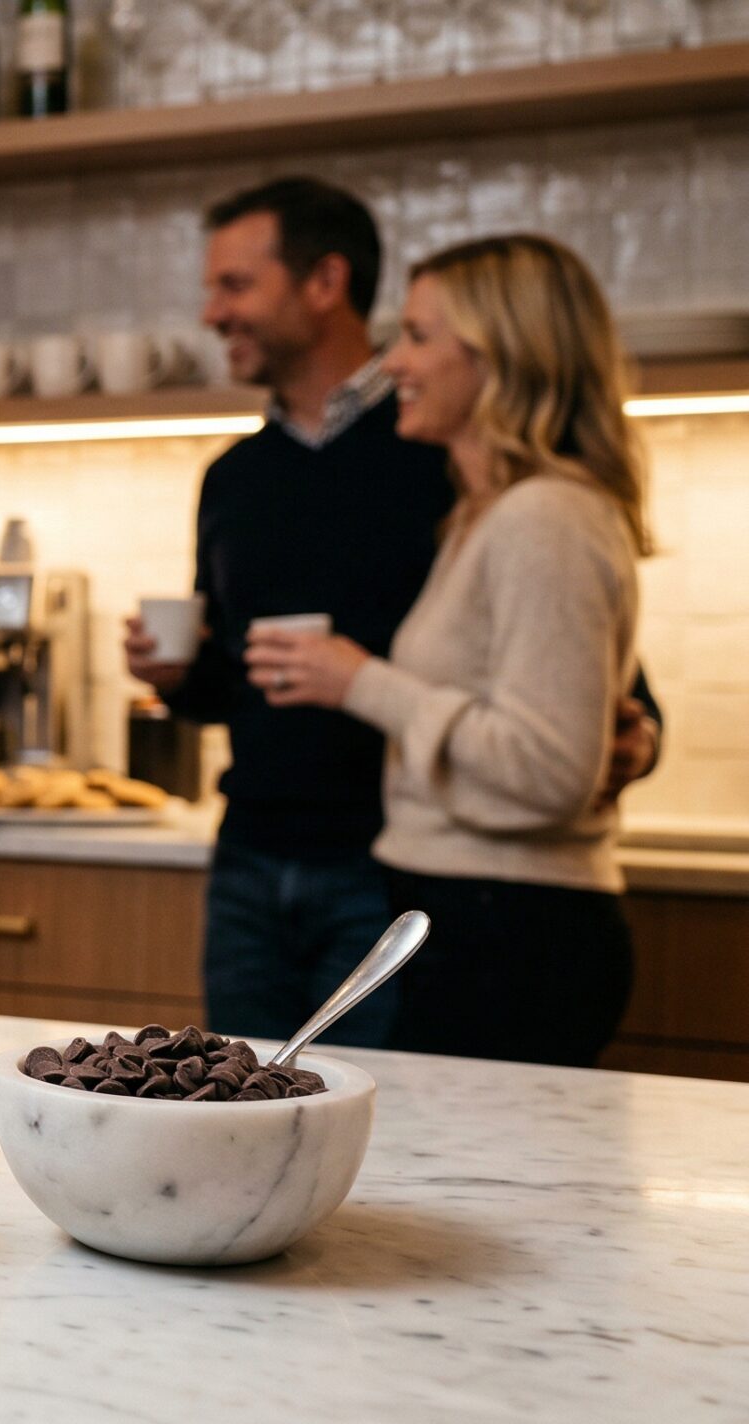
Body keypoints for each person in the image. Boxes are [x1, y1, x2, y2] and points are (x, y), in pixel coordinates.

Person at [124, 177, 659, 1047]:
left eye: (234, 284)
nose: (210, 312)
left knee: (383, 1148)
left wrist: (627, 738)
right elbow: (243, 684)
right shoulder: (235, 480)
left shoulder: (450, 461)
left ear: (324, 283)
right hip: (255, 856)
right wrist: (180, 679)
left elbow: (594, 689)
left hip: (395, 870)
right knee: (248, 1127)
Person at [245, 234, 648, 1068]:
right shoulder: (484, 514)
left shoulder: (545, 518)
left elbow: (548, 768)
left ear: (502, 356)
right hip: (474, 912)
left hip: (513, 928)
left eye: (420, 337)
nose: (393, 363)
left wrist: (362, 682)